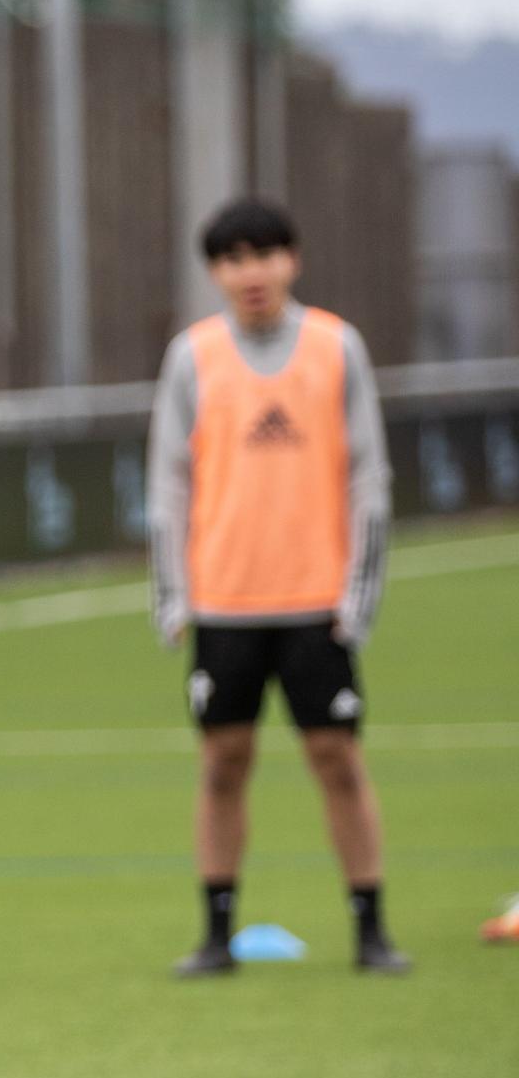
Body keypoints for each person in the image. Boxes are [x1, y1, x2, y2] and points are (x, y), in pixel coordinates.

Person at [147, 197, 408, 976]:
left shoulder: (337, 347)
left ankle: (371, 928)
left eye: (263, 254)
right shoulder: (193, 357)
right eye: (231, 259)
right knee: (223, 762)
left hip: (316, 604)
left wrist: (359, 597)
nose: (249, 272)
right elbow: (168, 484)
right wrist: (174, 596)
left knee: (338, 758)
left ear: (292, 258)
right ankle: (215, 933)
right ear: (214, 272)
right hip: (224, 604)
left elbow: (371, 476)